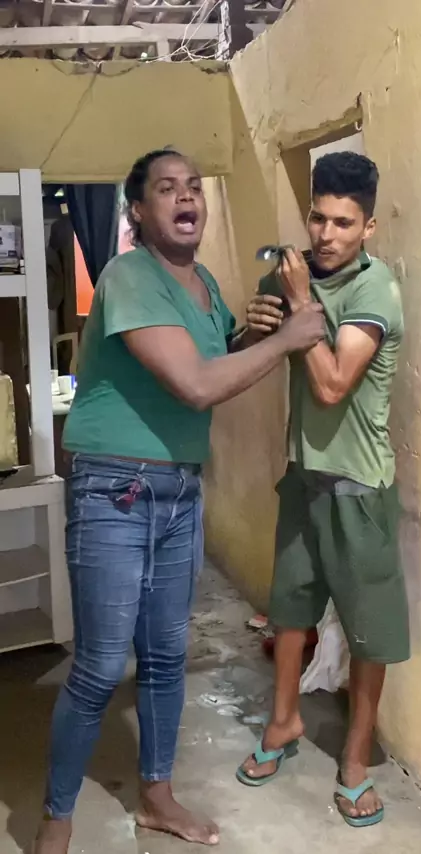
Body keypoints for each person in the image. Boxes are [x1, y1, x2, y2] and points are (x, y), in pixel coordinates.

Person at [34, 147, 326, 854]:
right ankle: (56, 817)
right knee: (102, 664)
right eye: (167, 188)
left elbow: (212, 355)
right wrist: (289, 339)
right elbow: (194, 385)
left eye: (193, 186)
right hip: (117, 490)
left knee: (166, 656)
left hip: (178, 490)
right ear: (137, 211)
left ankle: (157, 796)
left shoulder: (202, 285)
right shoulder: (129, 276)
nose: (186, 196)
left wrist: (251, 333)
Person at [236, 151, 410, 828]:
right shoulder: (289, 278)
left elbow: (334, 383)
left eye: (343, 222)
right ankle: (283, 722)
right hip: (304, 477)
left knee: (369, 634)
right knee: (289, 614)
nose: (327, 233)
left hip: (361, 489)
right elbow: (244, 355)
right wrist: (256, 325)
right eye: (318, 218)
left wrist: (301, 306)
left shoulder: (375, 290)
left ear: (368, 227)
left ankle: (356, 760)